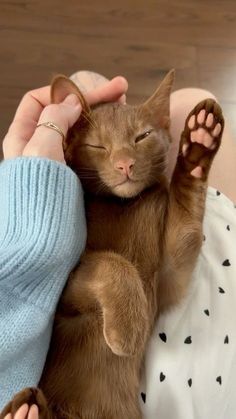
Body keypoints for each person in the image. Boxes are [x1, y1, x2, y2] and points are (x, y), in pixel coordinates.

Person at [1, 70, 236, 419]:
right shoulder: (72, 207)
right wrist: (114, 278)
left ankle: (192, 174)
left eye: (141, 136)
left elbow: (177, 263)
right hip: (68, 394)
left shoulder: (154, 199)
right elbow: (56, 293)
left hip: (115, 404)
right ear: (71, 145)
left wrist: (188, 180)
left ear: (162, 126)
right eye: (99, 146)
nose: (123, 161)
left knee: (184, 241)